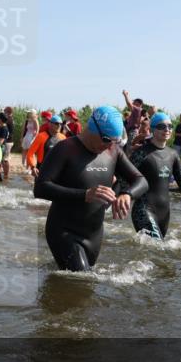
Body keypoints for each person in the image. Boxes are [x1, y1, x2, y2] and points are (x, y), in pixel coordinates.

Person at [33, 106, 148, 271]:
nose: (109, 144)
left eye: (114, 141)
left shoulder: (112, 151)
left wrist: (127, 194)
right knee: (81, 281)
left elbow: (141, 181)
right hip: (64, 230)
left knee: (82, 286)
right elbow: (40, 188)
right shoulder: (65, 148)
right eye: (106, 139)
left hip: (93, 235)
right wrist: (84, 195)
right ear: (92, 128)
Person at [0, 113, 11, 183]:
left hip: (1, 147)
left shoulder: (4, 128)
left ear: (0, 119)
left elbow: (1, 141)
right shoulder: (0, 127)